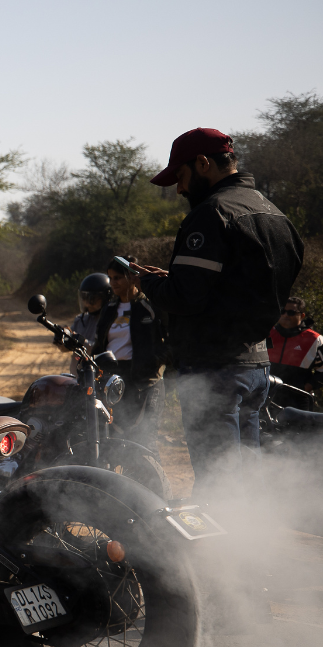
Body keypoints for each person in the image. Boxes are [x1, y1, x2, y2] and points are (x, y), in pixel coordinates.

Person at [135, 128, 303, 499]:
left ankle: (217, 556)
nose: (179, 189)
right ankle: (250, 549)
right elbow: (237, 287)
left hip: (213, 370)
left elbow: (185, 299)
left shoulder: (211, 214)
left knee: (216, 482)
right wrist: (178, 279)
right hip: (257, 366)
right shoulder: (275, 213)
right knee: (243, 478)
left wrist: (146, 283)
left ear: (202, 164)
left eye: (179, 177)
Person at [94, 256, 166, 450]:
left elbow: (168, 336)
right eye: (110, 278)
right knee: (113, 439)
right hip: (113, 381)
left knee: (144, 441)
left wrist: (157, 363)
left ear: (131, 277)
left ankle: (151, 480)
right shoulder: (109, 308)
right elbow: (99, 343)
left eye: (118, 277)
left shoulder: (150, 306)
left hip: (144, 382)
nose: (113, 283)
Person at [267, 296, 322, 410]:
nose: (286, 315)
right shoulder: (267, 333)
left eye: (291, 312)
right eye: (283, 311)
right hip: (265, 397)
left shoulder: (315, 339)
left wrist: (306, 387)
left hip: (298, 400)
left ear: (302, 315)